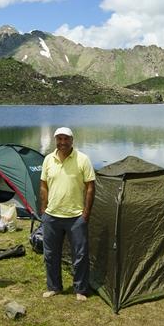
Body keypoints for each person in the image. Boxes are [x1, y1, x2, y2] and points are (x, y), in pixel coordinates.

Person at [38, 127, 96, 301]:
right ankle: (54, 287)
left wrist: (86, 212)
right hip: (52, 216)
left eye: (66, 139)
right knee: (50, 254)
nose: (62, 142)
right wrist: (43, 207)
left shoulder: (83, 159)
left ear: (72, 140)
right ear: (55, 140)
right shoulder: (48, 159)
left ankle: (80, 289)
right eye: (59, 139)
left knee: (80, 255)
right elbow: (43, 185)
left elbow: (91, 187)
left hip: (76, 216)